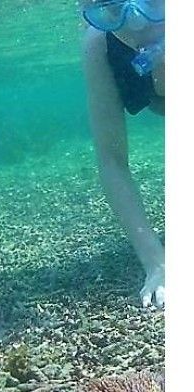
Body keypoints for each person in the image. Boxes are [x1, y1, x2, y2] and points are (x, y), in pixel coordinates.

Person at [79, 0, 165, 307]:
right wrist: (157, 263)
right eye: (113, 9)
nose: (137, 23)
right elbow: (111, 159)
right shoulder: (99, 46)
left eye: (153, 1)